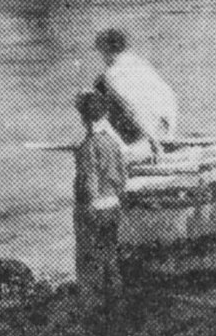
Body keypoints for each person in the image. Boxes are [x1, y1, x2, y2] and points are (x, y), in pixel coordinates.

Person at [73, 90, 126, 323]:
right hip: (113, 205)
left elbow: (90, 179)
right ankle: (116, 309)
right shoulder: (113, 143)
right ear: (104, 114)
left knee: (89, 262)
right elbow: (122, 178)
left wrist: (90, 206)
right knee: (111, 257)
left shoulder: (88, 146)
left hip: (94, 209)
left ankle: (93, 316)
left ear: (84, 118)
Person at [93, 28, 178, 161]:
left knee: (98, 88)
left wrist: (154, 143)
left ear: (105, 50)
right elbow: (168, 95)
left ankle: (124, 150)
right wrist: (168, 132)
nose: (101, 57)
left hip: (148, 136)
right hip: (164, 127)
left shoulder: (111, 75)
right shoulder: (140, 62)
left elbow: (132, 108)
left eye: (101, 52)